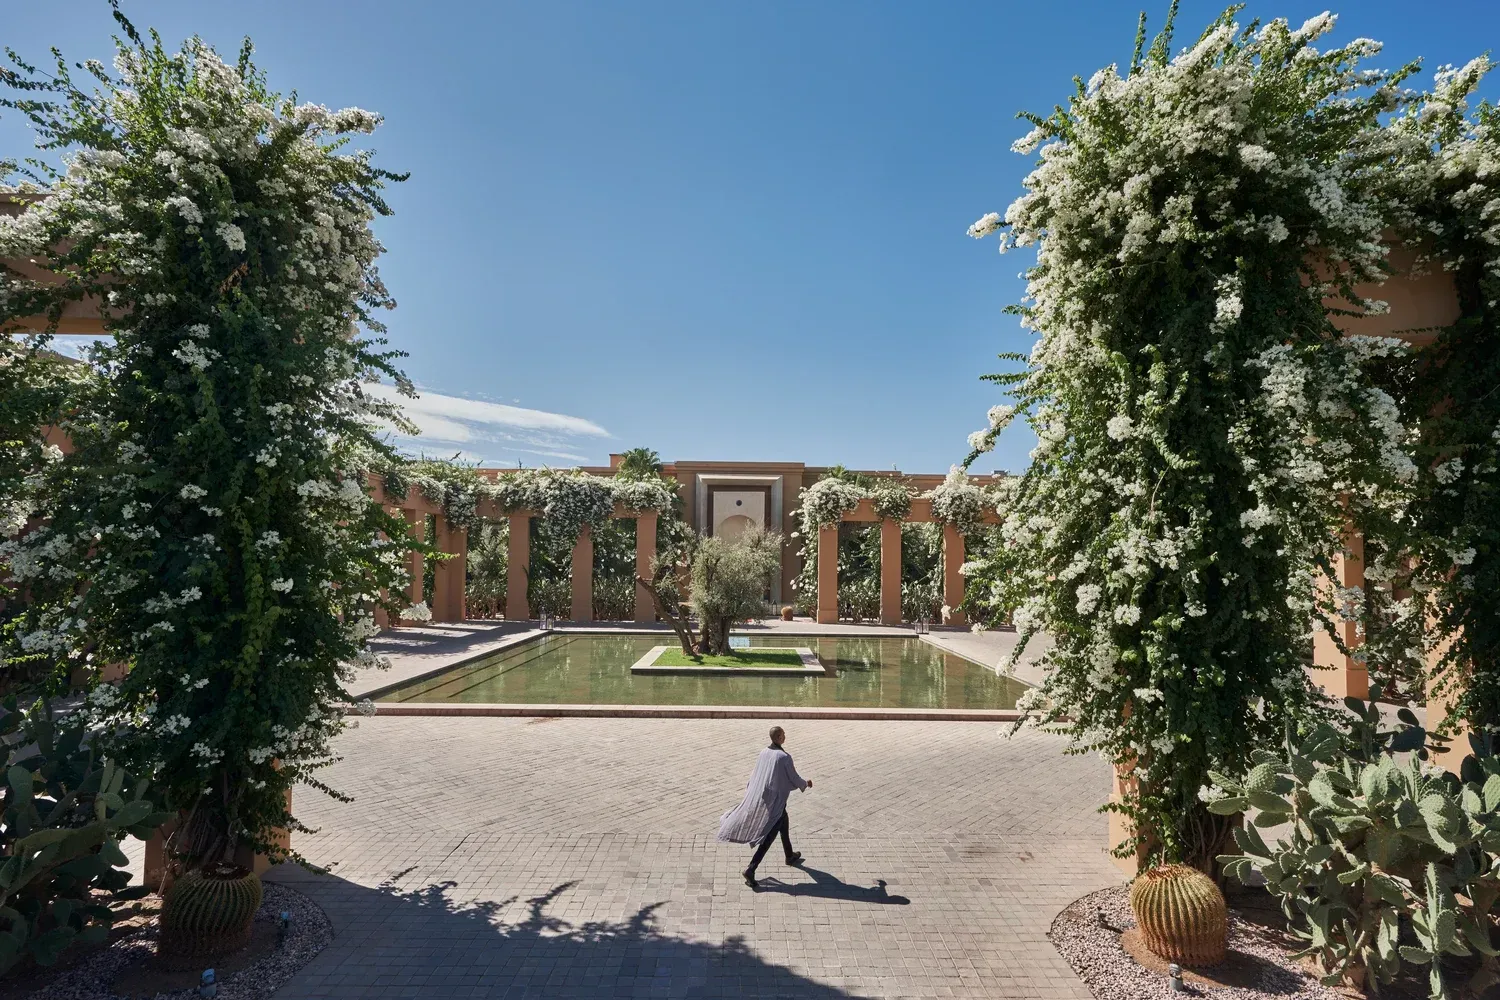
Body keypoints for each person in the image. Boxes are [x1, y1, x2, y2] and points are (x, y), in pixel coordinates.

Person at [717, 725, 811, 888]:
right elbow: (793, 778)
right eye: (783, 734)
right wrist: (805, 783)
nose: (785, 736)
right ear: (779, 737)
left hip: (767, 797)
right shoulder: (784, 757)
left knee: (784, 821)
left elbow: (756, 774)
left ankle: (789, 855)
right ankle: (751, 869)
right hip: (775, 801)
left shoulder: (764, 752)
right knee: (770, 836)